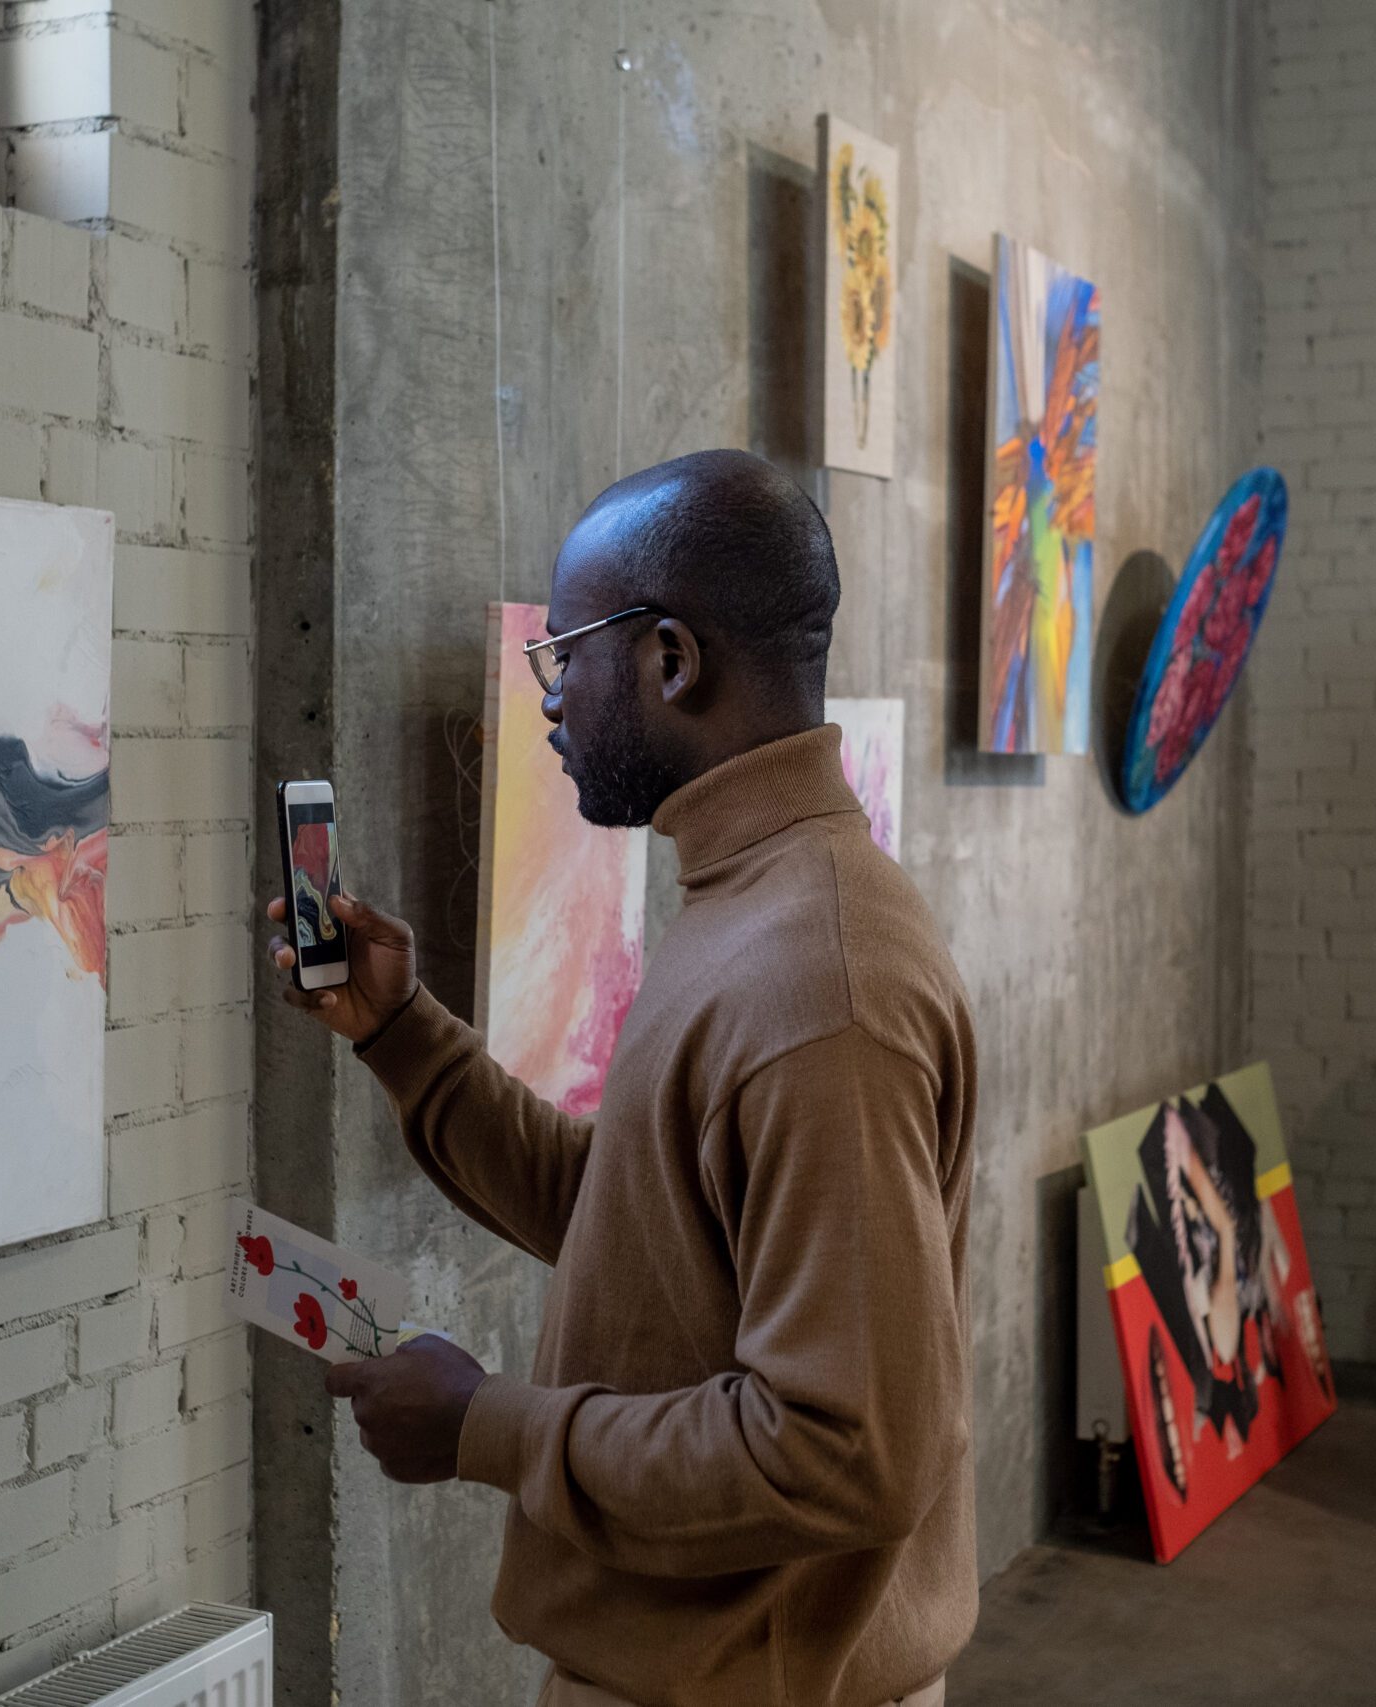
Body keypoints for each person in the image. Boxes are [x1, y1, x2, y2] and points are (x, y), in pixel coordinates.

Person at [262, 449, 976, 1706]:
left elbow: (844, 1448)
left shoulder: (822, 984)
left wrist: (486, 1424)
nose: (548, 699)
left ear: (670, 660)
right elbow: (636, 1215)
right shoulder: (747, 902)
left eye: (564, 652)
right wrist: (399, 1032)